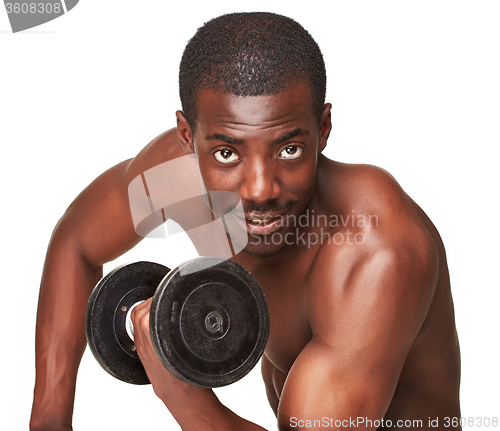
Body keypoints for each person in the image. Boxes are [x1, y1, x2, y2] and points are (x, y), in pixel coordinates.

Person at [30, 12, 461, 431]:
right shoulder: (177, 178)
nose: (259, 190)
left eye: (288, 149)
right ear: (187, 138)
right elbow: (77, 241)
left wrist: (180, 393)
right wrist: (49, 419)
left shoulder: (375, 255)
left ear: (323, 128)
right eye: (227, 154)